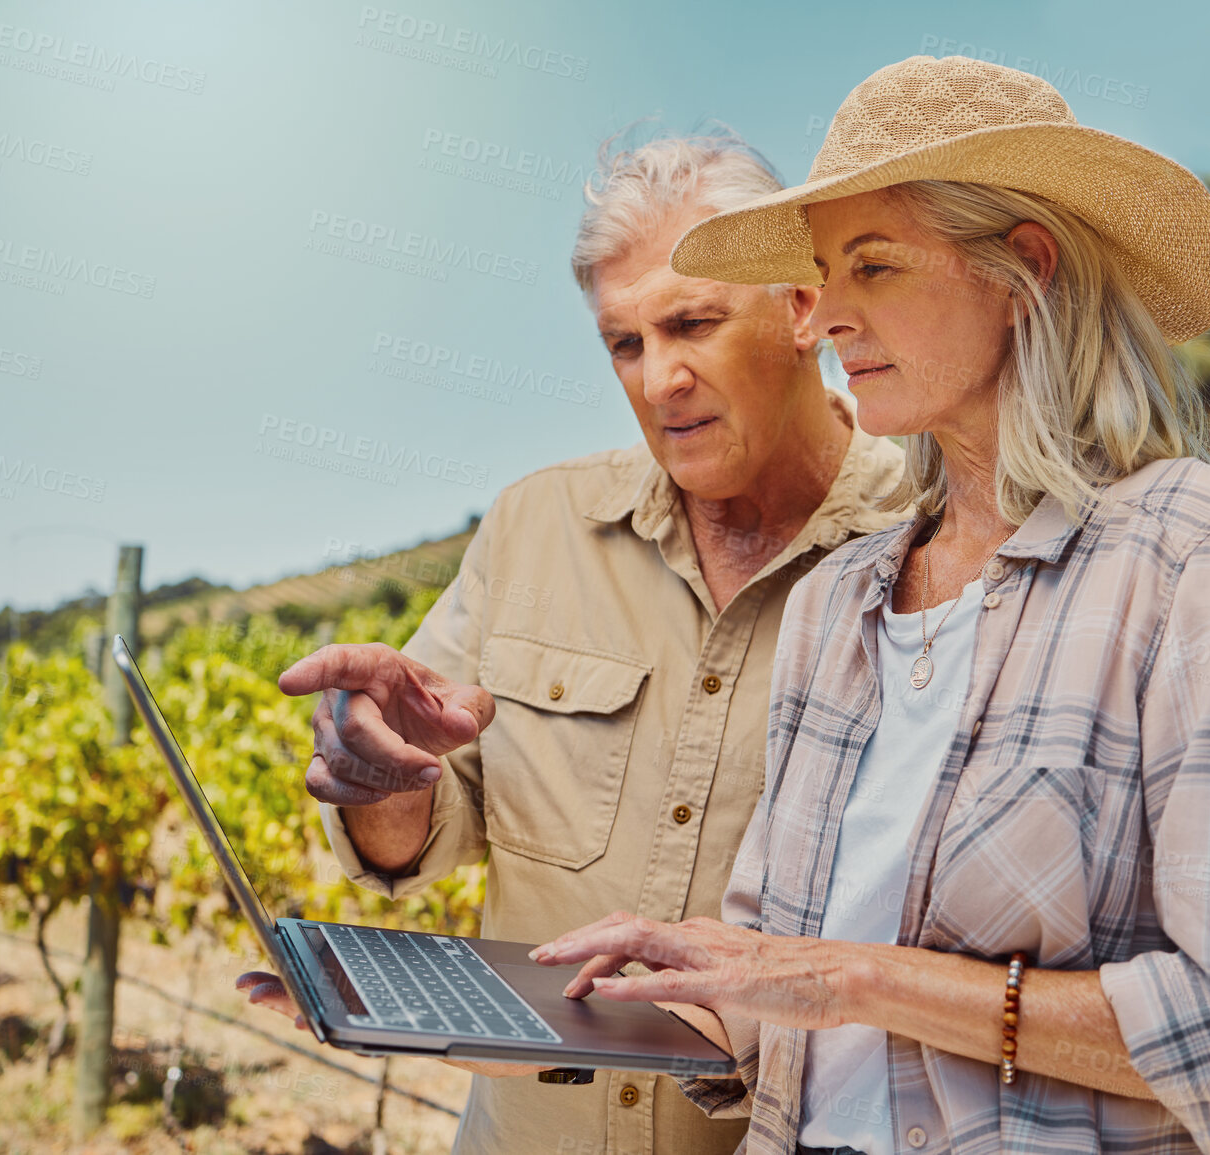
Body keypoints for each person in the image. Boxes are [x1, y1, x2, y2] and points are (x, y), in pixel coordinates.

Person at [531, 56, 1210, 1155]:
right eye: (826, 275)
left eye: (872, 266)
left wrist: (856, 978)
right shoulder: (839, 605)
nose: (827, 318)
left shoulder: (1200, 556)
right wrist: (599, 1001)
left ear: (1024, 272)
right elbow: (773, 986)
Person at [235, 133, 908, 1155]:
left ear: (802, 308)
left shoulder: (932, 548)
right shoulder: (532, 529)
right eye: (625, 345)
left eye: (693, 324)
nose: (659, 380)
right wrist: (388, 784)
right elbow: (425, 830)